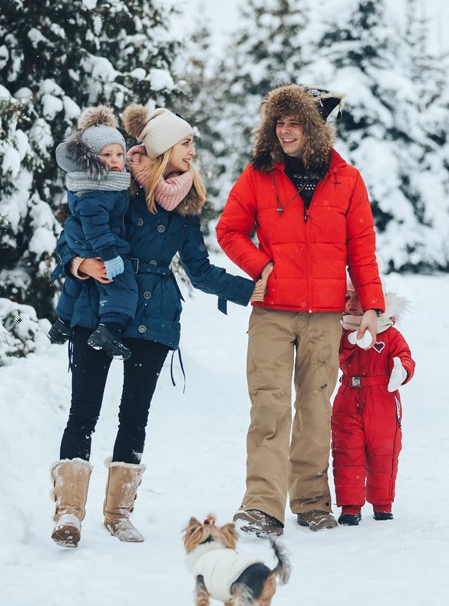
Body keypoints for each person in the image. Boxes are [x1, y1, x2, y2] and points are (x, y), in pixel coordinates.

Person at [49, 105, 254, 549]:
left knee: (134, 416)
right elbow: (71, 237)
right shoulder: (116, 187)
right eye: (186, 144)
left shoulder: (184, 210)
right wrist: (80, 264)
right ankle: (68, 511)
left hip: (156, 316)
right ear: (163, 149)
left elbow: (199, 271)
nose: (193, 152)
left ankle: (118, 513)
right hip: (98, 305)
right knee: (84, 410)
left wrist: (254, 291)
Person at [216, 84, 385, 535]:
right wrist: (262, 265)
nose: (286, 132)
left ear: (314, 128)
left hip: (325, 315)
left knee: (315, 408)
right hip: (272, 311)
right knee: (269, 407)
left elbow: (362, 250)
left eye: (295, 124)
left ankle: (311, 501)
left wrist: (372, 305)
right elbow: (229, 230)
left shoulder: (347, 180)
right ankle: (261, 506)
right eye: (280, 123)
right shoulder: (258, 175)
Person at [48, 105, 136, 360]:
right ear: (91, 160)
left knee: (75, 282)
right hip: (97, 243)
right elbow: (97, 228)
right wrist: (110, 254)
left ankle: (63, 321)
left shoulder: (96, 184)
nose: (115, 160)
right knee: (122, 284)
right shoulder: (97, 190)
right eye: (106, 155)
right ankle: (108, 329)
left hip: (83, 240)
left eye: (119, 154)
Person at [332, 279, 415, 526]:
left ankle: (382, 504)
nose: (352, 304)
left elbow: (405, 357)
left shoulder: (389, 332)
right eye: (347, 298)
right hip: (348, 397)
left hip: (383, 399)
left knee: (384, 453)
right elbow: (333, 354)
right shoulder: (340, 330)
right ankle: (350, 507)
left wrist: (402, 372)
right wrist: (348, 342)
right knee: (348, 451)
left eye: (358, 298)